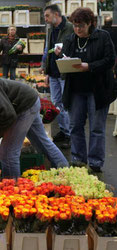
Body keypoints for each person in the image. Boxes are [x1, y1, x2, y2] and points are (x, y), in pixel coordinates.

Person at [61, 7, 116, 172]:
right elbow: (65, 58)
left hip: (98, 90)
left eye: (81, 26)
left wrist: (89, 66)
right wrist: (63, 58)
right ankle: (78, 159)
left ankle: (95, 162)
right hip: (76, 90)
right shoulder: (70, 39)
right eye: (75, 26)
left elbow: (110, 60)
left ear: (91, 23)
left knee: (96, 128)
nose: (78, 29)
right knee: (75, 126)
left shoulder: (102, 37)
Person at [41, 4, 73, 148]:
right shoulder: (50, 29)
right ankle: (63, 131)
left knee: (67, 104)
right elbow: (47, 49)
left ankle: (70, 135)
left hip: (65, 73)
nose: (45, 19)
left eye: (47, 16)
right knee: (56, 104)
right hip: (53, 73)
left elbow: (74, 50)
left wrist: (64, 51)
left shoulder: (70, 28)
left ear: (56, 15)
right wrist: (46, 70)